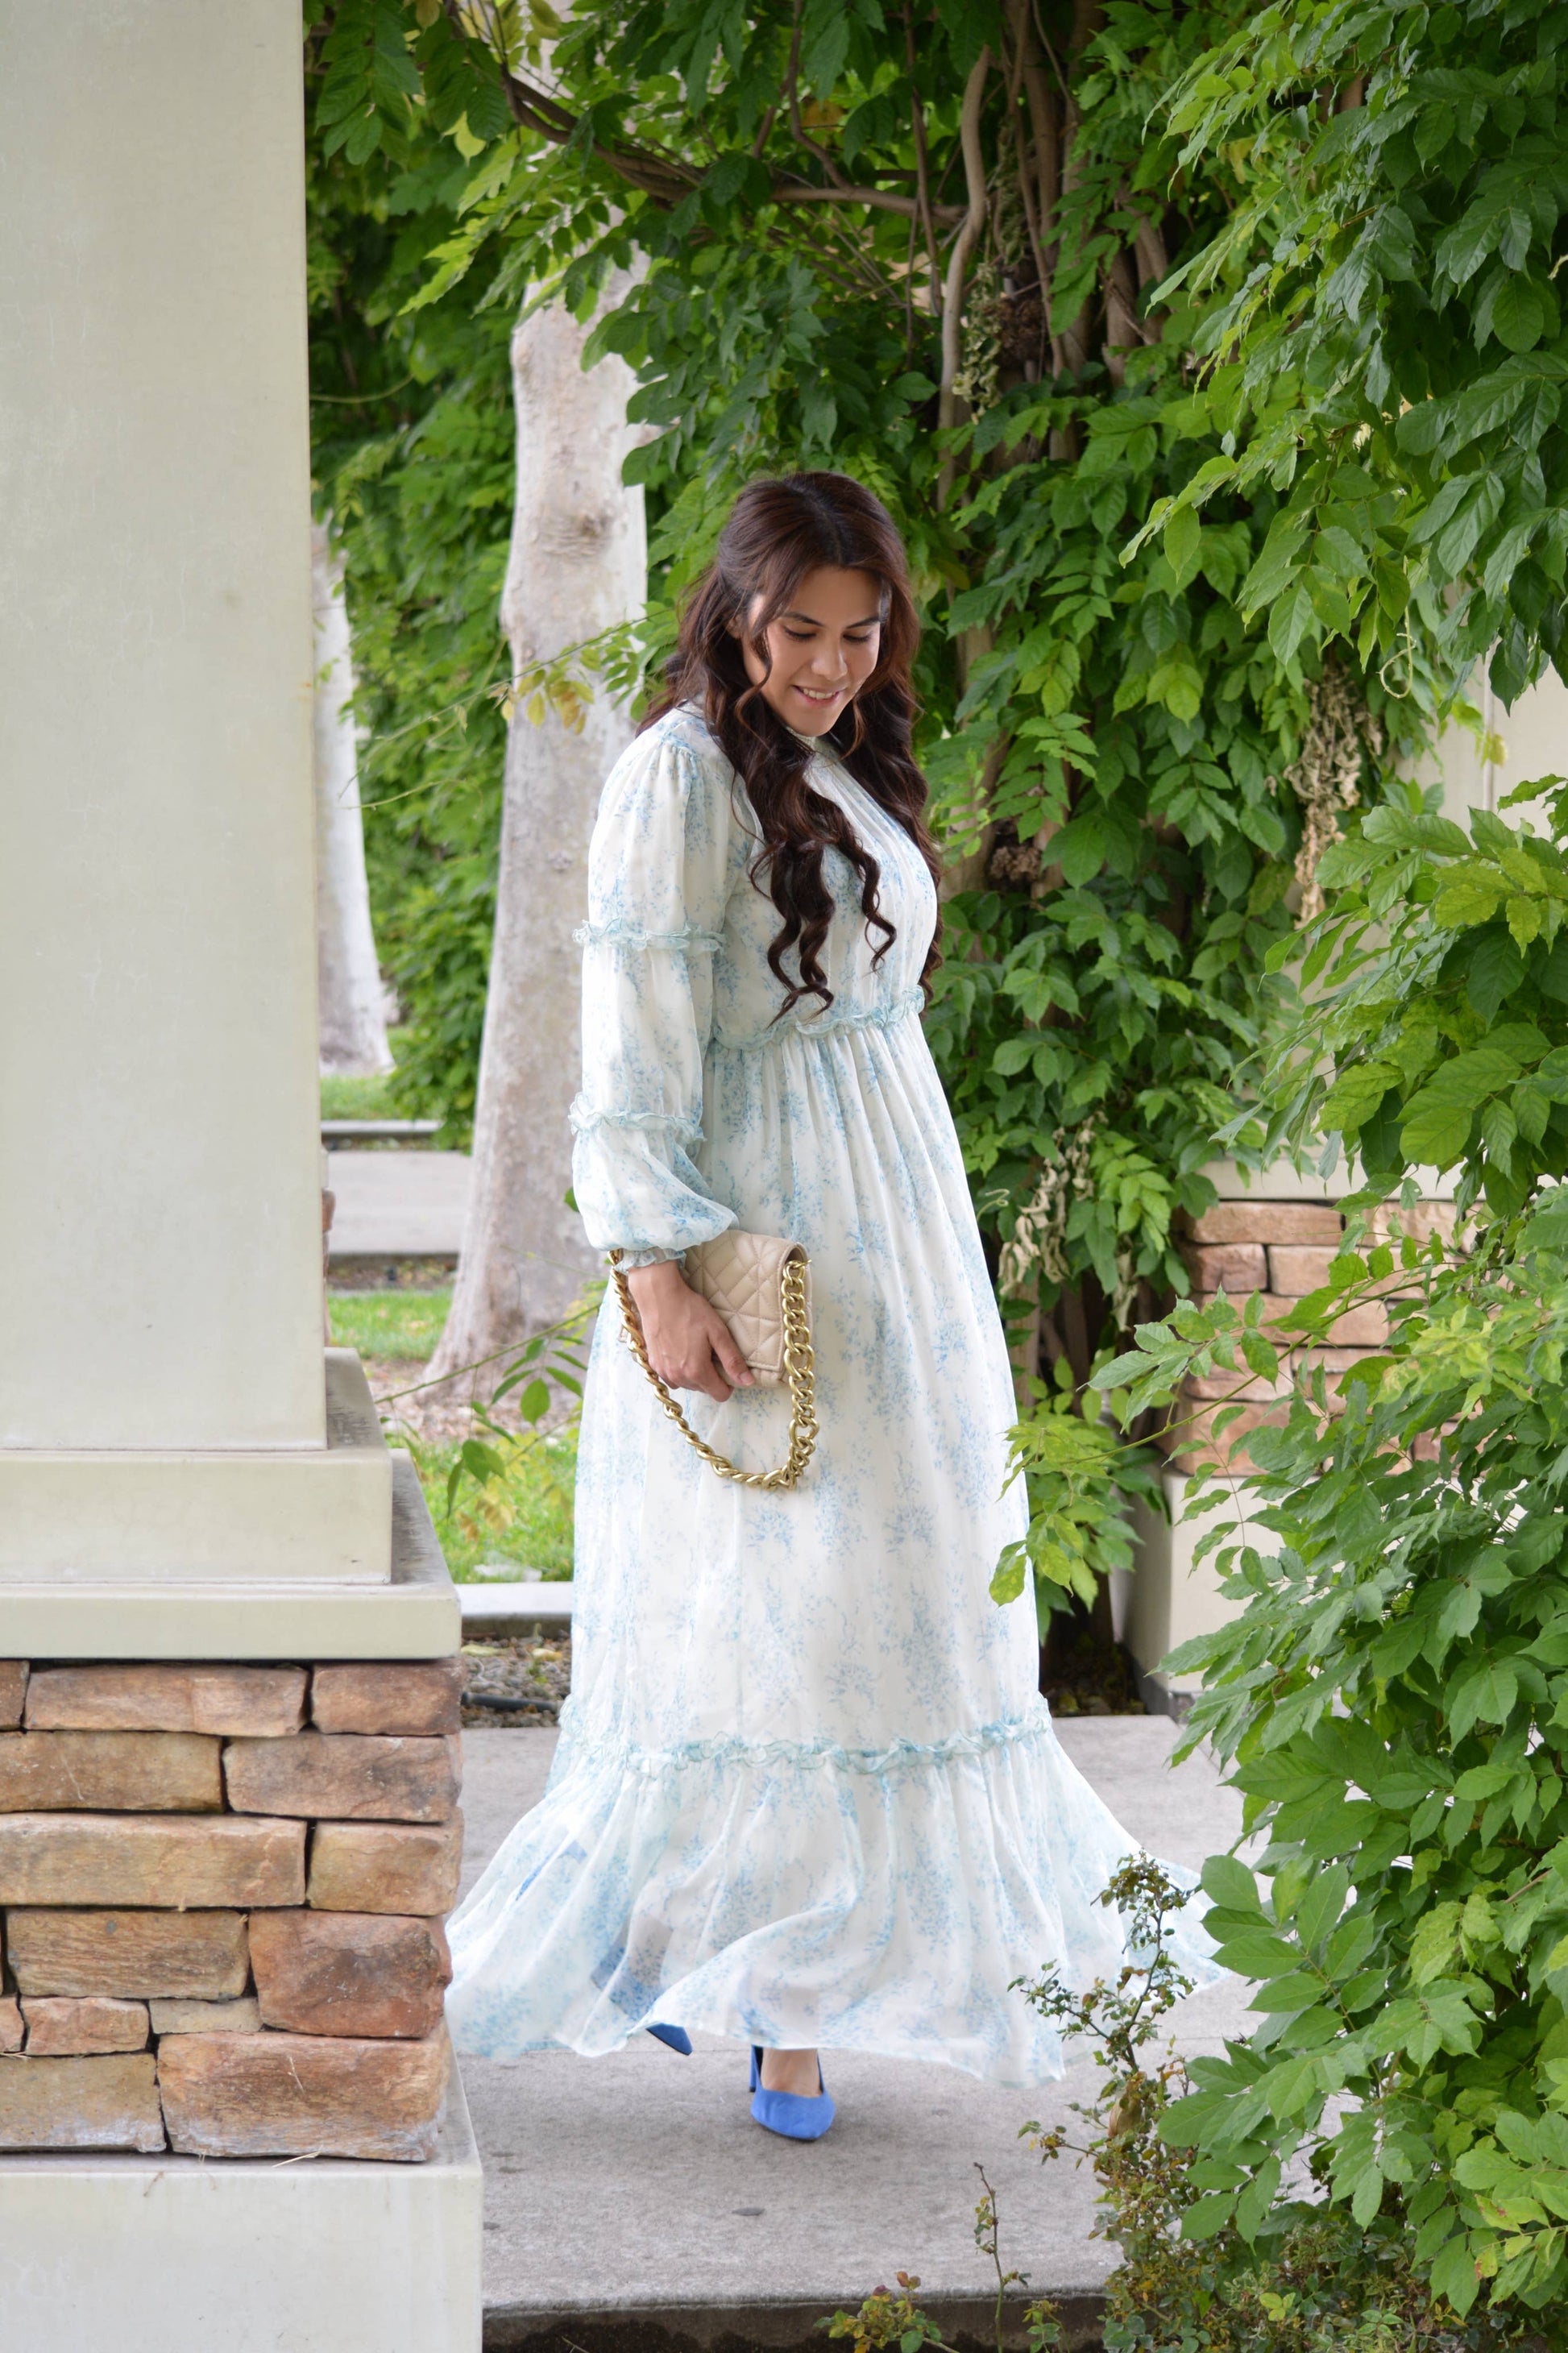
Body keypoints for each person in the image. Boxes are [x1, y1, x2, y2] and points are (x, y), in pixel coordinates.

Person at [445, 471, 1211, 2139]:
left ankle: (776, 1969)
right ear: (733, 614)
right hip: (762, 1231)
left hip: (892, 1233)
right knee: (773, 1605)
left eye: (860, 635)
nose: (828, 664)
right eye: (798, 630)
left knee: (892, 1596)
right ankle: (773, 2003)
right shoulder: (678, 774)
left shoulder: (842, 762)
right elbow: (628, 1044)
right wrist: (655, 1264)